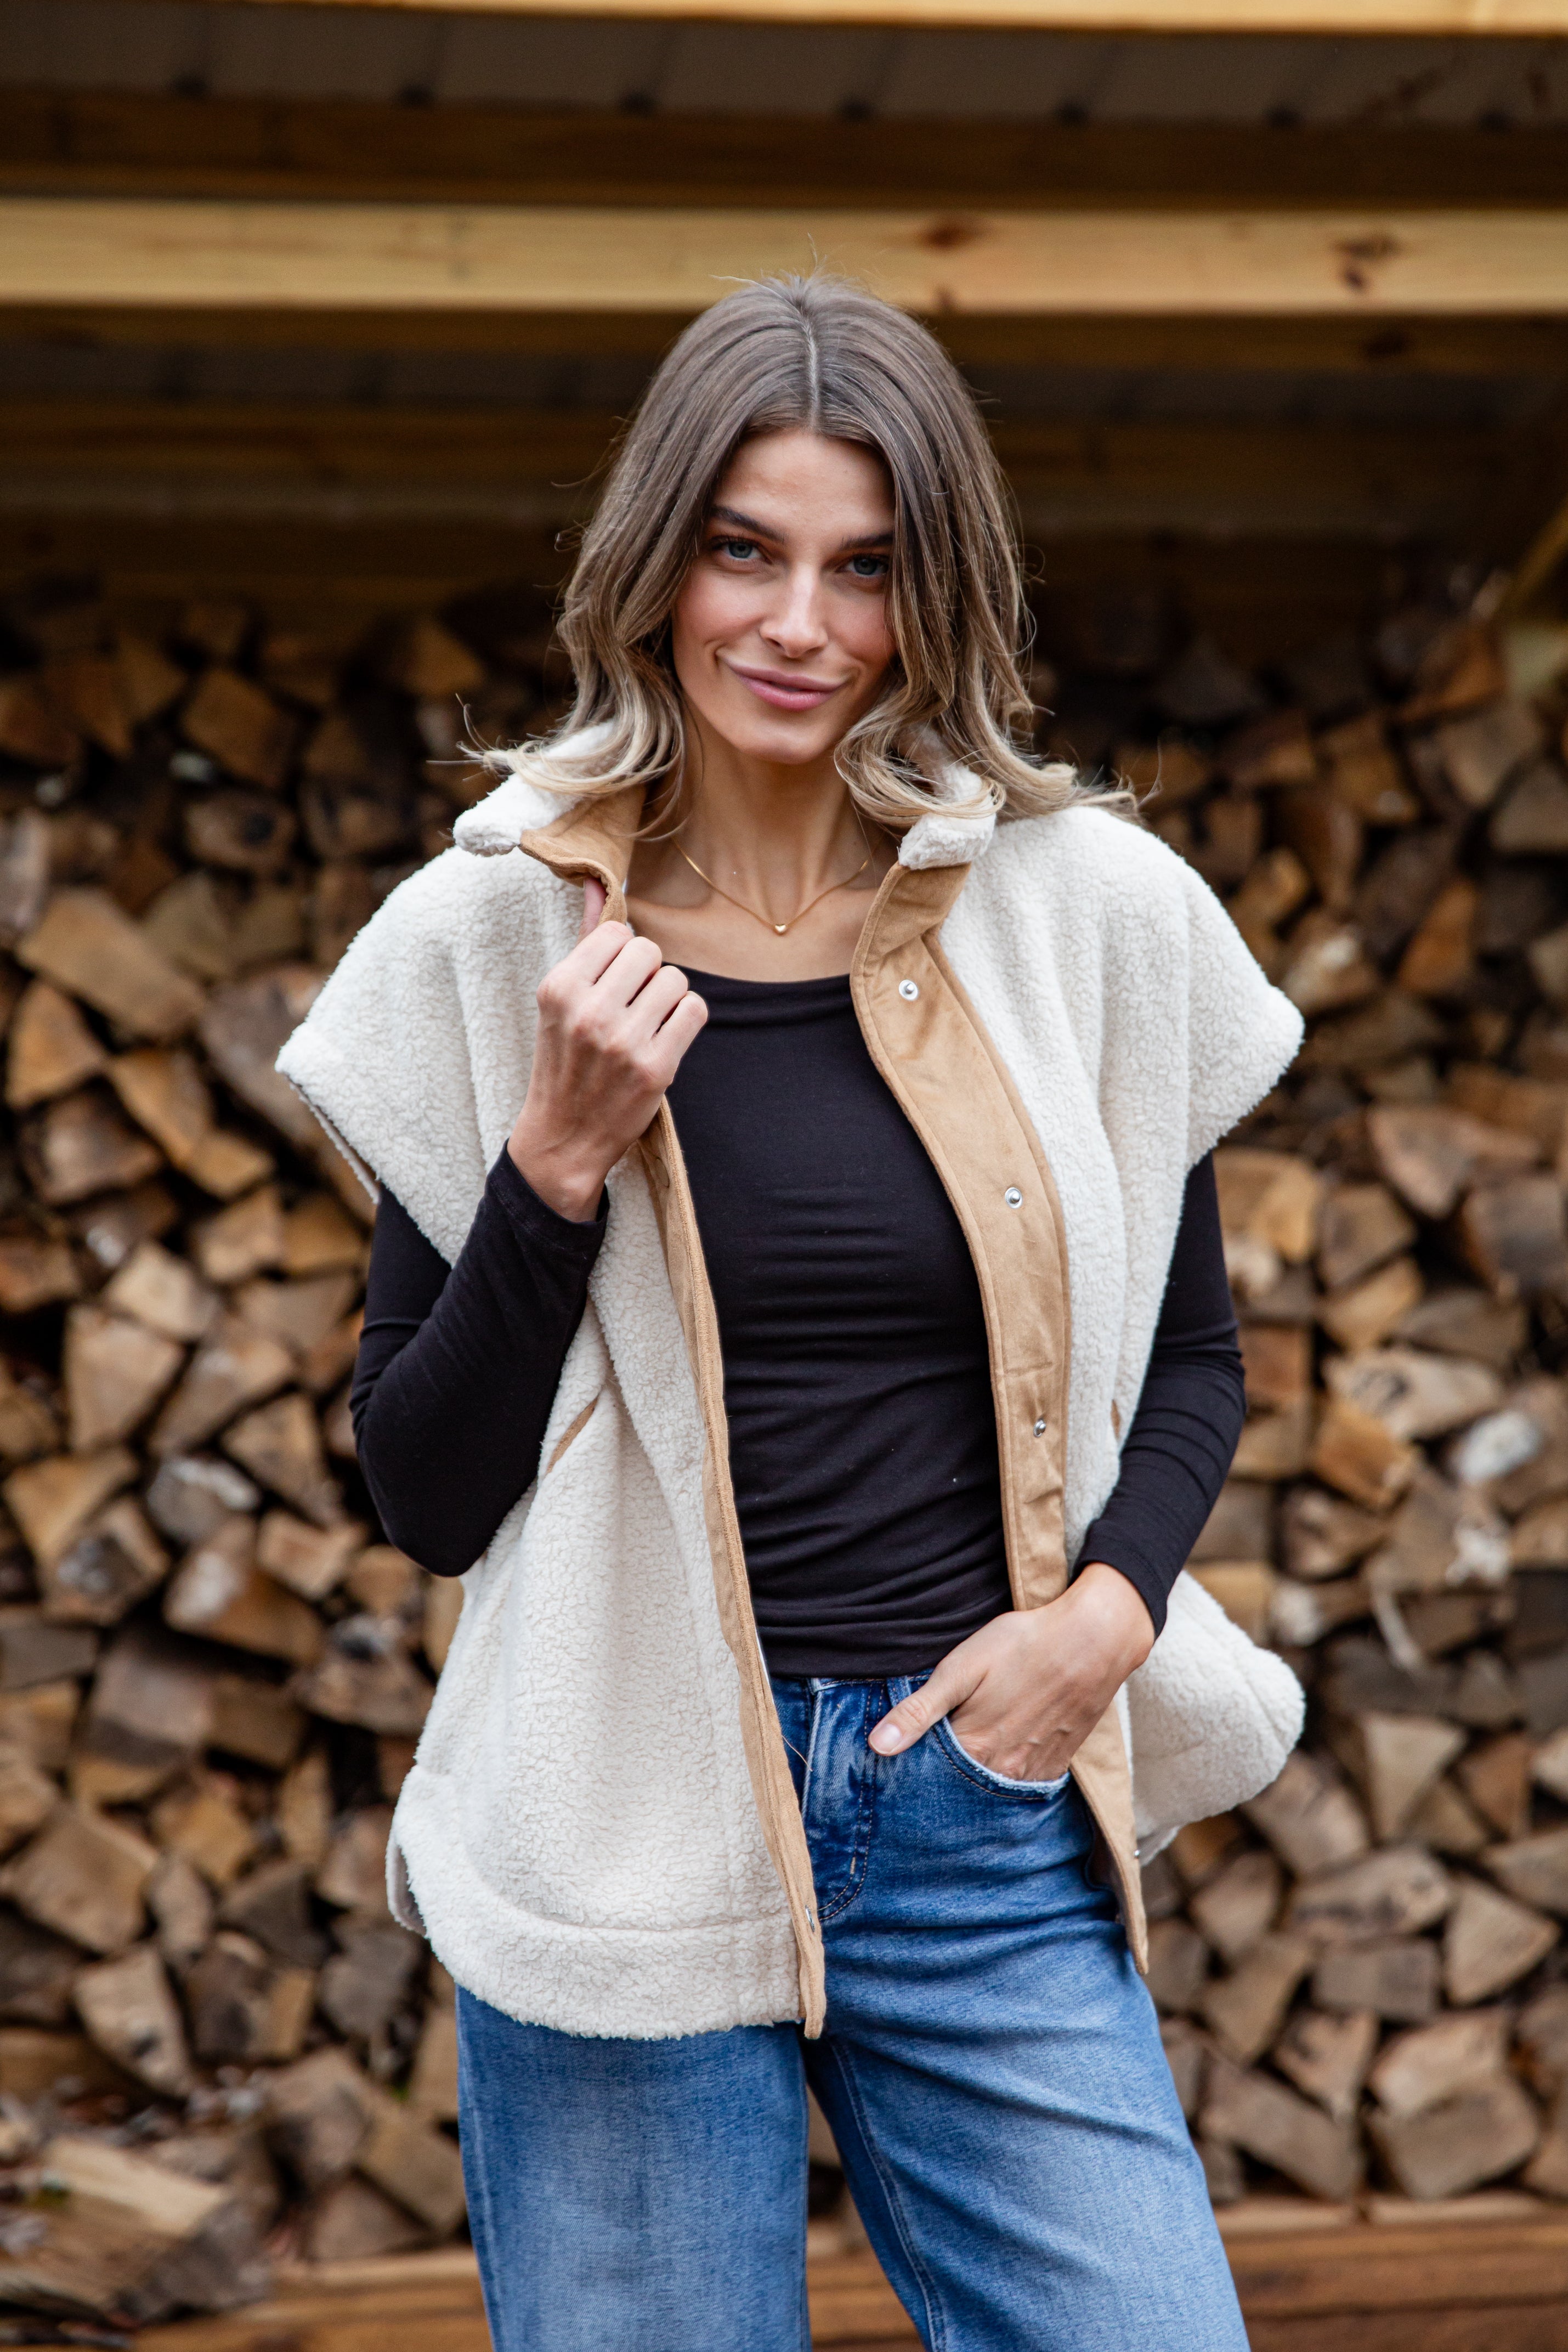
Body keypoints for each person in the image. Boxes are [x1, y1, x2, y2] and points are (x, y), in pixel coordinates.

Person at [278, 274, 1304, 2352]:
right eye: (744, 550)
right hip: (620, 1825)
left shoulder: (1088, 915)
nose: (797, 625)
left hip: (976, 1806)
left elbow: (1190, 1364)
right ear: (655, 563)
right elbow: (422, 1490)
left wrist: (1096, 1629)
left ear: (941, 600)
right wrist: (554, 1157)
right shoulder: (489, 934)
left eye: (866, 569)